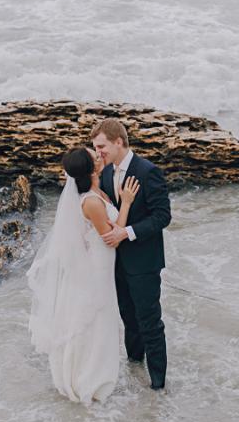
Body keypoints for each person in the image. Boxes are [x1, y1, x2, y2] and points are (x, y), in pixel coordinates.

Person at [27, 146, 139, 404]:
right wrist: (127, 203)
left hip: (98, 262)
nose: (98, 154)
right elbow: (112, 238)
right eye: (93, 154)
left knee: (100, 318)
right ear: (91, 169)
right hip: (97, 267)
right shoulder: (90, 201)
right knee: (99, 319)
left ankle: (90, 370)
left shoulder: (95, 192)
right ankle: (90, 378)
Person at [91, 118, 171, 391]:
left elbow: (162, 216)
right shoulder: (104, 173)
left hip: (144, 261)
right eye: (95, 148)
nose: (98, 152)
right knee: (128, 316)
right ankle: (135, 364)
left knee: (149, 320)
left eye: (101, 146)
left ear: (118, 141)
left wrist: (128, 232)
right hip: (116, 262)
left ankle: (158, 384)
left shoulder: (147, 171)